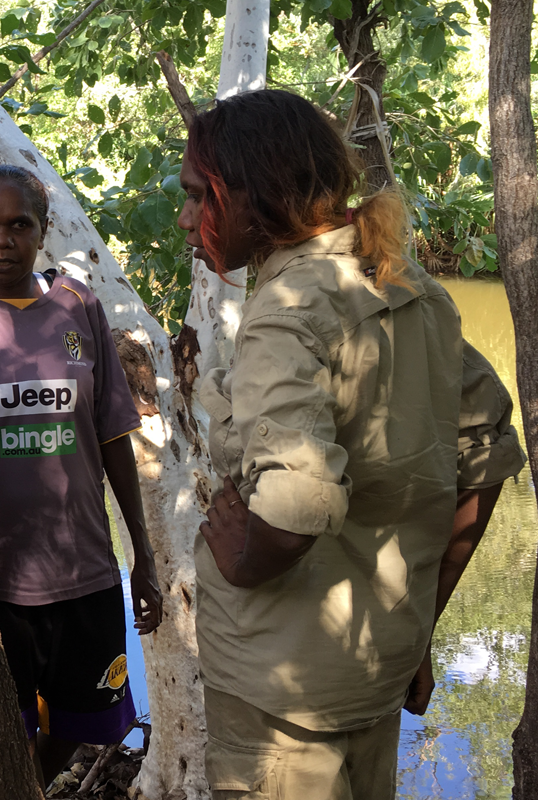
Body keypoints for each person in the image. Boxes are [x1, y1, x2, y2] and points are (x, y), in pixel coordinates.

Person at [178, 89, 526, 799]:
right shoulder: (411, 286)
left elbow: (295, 505)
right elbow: (487, 450)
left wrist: (246, 559)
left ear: (255, 195)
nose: (186, 220)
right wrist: (419, 624)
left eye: (198, 197)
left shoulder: (286, 311)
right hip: (375, 664)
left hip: (282, 690)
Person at [0, 164, 164, 788]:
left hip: (85, 573)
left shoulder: (78, 308)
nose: (3, 240)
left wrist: (142, 554)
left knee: (79, 724)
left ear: (42, 232)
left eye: (20, 225)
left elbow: (112, 437)